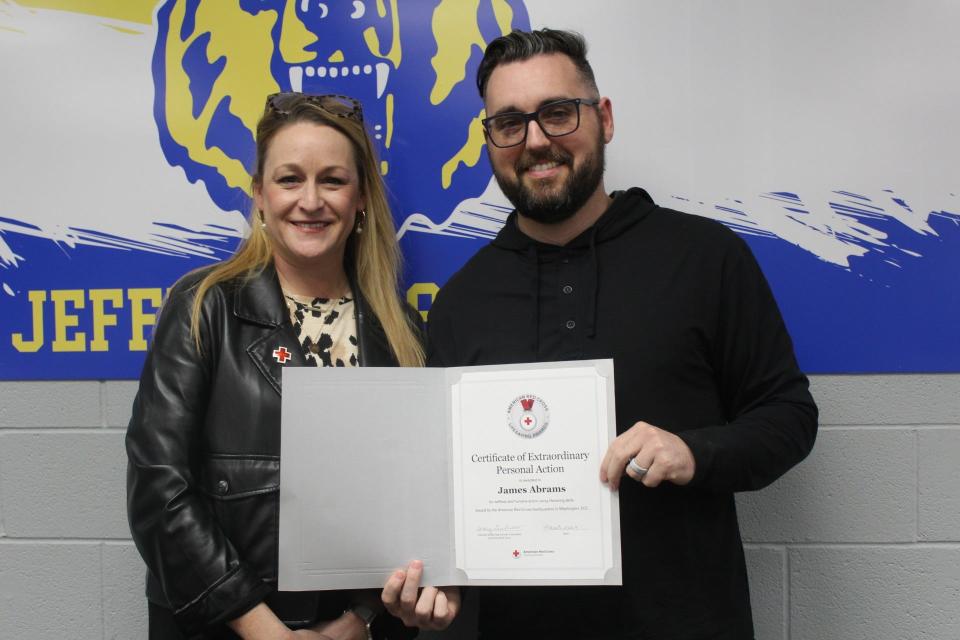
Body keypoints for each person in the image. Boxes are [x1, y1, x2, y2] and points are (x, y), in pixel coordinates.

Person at [383, 29, 818, 639]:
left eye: (557, 114)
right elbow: (442, 494)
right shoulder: (461, 303)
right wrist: (432, 584)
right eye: (509, 123)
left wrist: (694, 453)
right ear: (490, 141)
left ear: (604, 118)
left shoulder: (705, 258)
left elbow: (789, 416)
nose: (535, 141)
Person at [126, 92, 424, 639]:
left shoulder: (400, 333)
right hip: (222, 628)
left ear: (361, 198)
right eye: (289, 180)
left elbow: (411, 503)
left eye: (332, 180)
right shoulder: (203, 307)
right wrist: (265, 630)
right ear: (259, 195)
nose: (310, 200)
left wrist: (359, 619)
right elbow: (157, 490)